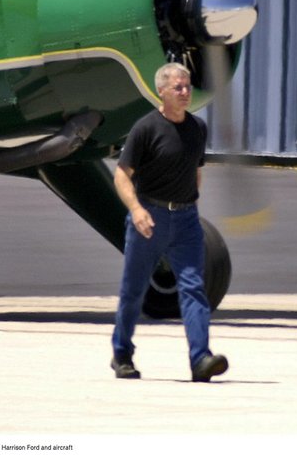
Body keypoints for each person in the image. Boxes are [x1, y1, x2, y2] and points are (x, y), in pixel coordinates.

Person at [110, 62, 228, 382]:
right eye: (178, 87)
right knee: (134, 291)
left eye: (188, 86)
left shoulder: (197, 129)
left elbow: (195, 172)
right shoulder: (146, 129)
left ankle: (200, 359)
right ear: (161, 91)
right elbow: (122, 175)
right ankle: (121, 354)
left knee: (193, 288)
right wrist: (136, 210)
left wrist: (189, 205)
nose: (186, 92)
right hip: (150, 217)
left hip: (187, 220)